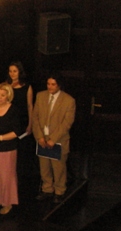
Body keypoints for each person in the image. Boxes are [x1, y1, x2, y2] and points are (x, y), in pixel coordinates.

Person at [31, 74, 76, 203]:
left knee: (58, 168)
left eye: (53, 84)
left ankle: (59, 191)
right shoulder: (40, 96)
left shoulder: (68, 100)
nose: (50, 87)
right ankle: (47, 189)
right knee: (44, 167)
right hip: (42, 139)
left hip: (59, 140)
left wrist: (53, 139)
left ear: (59, 85)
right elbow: (35, 117)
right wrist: (39, 136)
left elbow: (67, 123)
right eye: (48, 84)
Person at [0, 83, 24, 215]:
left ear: (8, 96)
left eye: (3, 95)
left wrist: (0, 138)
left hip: (7, 148)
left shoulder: (14, 110)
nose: (0, 97)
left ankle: (7, 203)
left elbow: (16, 132)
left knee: (6, 176)